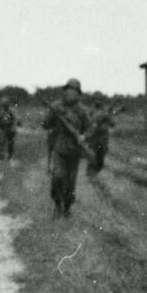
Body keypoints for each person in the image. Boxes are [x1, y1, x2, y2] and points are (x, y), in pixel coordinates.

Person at [42, 78, 91, 217]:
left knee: (70, 183)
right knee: (57, 177)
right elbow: (45, 124)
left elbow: (90, 128)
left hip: (75, 152)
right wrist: (50, 114)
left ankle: (67, 208)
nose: (72, 93)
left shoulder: (82, 110)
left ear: (78, 94)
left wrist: (84, 137)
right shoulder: (56, 106)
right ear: (66, 91)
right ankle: (58, 205)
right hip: (59, 149)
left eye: (75, 91)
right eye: (70, 90)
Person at [85, 95, 115, 176]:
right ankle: (91, 173)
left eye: (99, 100)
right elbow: (87, 122)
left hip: (102, 138)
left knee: (100, 156)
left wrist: (109, 114)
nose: (98, 102)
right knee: (92, 155)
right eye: (96, 100)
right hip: (94, 137)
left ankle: (95, 172)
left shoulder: (105, 112)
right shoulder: (91, 112)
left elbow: (112, 123)